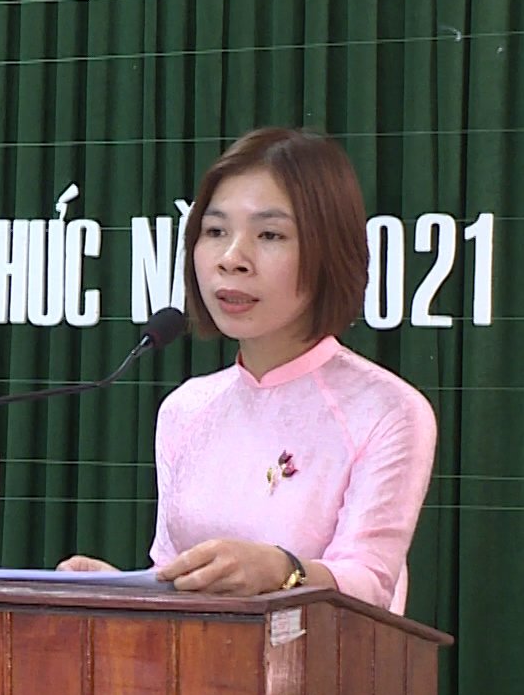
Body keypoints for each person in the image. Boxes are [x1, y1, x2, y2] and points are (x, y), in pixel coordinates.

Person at [60, 128, 436, 613]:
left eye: (270, 235)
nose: (232, 259)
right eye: (216, 232)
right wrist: (121, 586)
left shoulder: (387, 410)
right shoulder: (186, 409)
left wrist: (283, 570)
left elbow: (371, 585)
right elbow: (173, 576)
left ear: (329, 251)